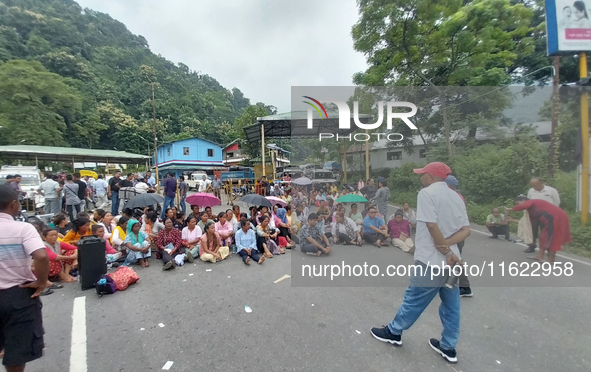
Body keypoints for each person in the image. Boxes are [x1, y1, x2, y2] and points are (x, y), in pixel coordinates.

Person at [370, 162, 470, 365]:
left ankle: (394, 332)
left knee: (414, 299)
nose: (421, 177)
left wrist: (444, 248)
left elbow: (432, 226)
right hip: (453, 264)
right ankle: (448, 346)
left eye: (423, 174)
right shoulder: (456, 197)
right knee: (452, 306)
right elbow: (466, 230)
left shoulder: (426, 194)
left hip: (431, 262)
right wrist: (450, 247)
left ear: (432, 177)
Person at [0, 184, 50, 371]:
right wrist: (41, 281)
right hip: (17, 295)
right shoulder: (23, 228)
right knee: (16, 352)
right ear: (13, 204)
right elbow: (41, 256)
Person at [510, 196, 572, 263]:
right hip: (550, 220)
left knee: (553, 239)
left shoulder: (531, 202)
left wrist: (510, 209)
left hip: (556, 218)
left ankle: (551, 260)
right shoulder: (531, 209)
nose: (518, 205)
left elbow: (523, 206)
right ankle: (539, 256)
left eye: (517, 203)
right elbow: (529, 221)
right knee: (543, 237)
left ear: (523, 200)